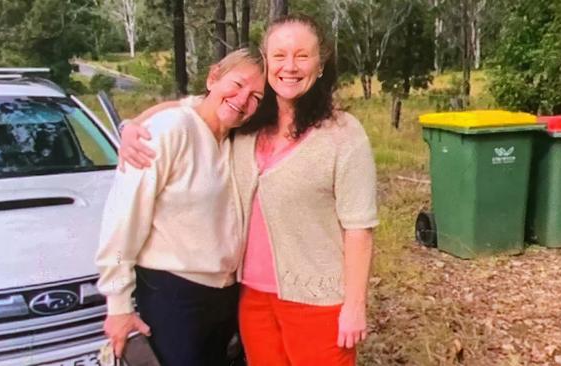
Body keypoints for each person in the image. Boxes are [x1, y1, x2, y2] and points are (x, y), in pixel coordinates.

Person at [120, 14, 378, 366]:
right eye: (280, 56)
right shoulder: (248, 125)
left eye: (302, 56)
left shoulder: (343, 135)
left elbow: (359, 228)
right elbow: (196, 107)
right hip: (251, 299)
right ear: (267, 62)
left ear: (320, 65)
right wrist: (132, 125)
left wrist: (354, 306)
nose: (290, 66)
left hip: (317, 303)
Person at [95, 48, 265, 366]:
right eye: (238, 84)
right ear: (213, 77)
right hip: (173, 296)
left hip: (225, 297)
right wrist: (118, 303)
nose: (243, 99)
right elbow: (122, 220)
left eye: (256, 96)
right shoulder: (170, 129)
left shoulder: (234, 142)